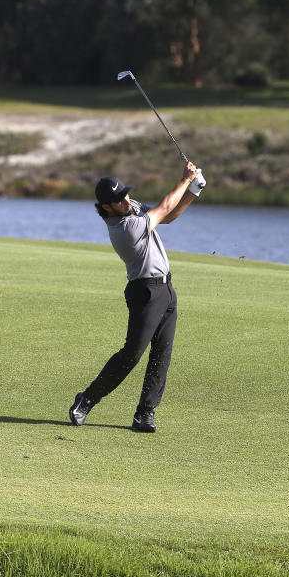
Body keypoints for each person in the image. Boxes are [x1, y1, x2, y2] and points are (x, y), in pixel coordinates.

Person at [68, 161, 204, 432]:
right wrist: (185, 180)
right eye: (119, 200)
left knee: (162, 353)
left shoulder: (131, 209)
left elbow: (167, 216)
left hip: (166, 289)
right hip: (145, 292)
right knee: (132, 354)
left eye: (126, 194)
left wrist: (193, 192)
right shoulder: (124, 228)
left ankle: (145, 413)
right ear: (107, 207)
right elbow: (163, 208)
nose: (126, 200)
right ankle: (87, 399)